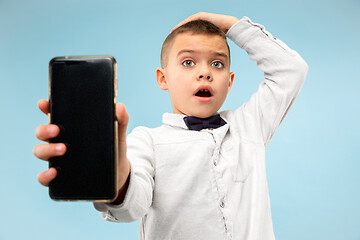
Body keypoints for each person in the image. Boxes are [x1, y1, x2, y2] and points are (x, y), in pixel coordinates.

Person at [34, 12, 308, 240]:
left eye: (217, 63)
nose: (205, 72)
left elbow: (291, 69)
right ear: (162, 78)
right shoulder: (147, 141)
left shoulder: (250, 126)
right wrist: (115, 177)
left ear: (230, 80)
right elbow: (131, 207)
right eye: (188, 62)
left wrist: (231, 26)